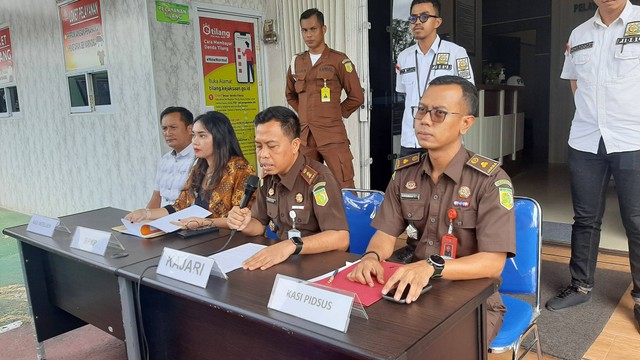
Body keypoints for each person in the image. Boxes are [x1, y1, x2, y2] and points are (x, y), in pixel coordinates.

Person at [346, 75, 515, 346]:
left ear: (465, 123)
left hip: (471, 297)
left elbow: (493, 264)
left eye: (439, 113)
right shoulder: (404, 173)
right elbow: (386, 233)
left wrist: (430, 267)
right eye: (422, 110)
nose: (425, 120)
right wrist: (371, 256)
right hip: (412, 286)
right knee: (360, 335)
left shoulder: (490, 180)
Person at [546, 0, 640, 331]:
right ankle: (581, 286)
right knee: (585, 218)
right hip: (586, 139)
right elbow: (574, 81)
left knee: (636, 220)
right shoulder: (579, 32)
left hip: (633, 139)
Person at [227, 106, 349, 270]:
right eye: (258, 146)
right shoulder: (268, 178)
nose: (263, 154)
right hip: (283, 261)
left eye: (271, 146)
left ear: (295, 145)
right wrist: (244, 223)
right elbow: (259, 224)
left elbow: (340, 238)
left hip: (318, 266)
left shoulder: (319, 179)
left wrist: (292, 245)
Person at [125, 111, 256, 229]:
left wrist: (204, 223)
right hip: (197, 235)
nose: (195, 141)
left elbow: (241, 218)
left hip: (225, 239)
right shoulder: (199, 167)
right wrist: (145, 213)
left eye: (202, 136)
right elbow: (179, 206)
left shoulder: (239, 167)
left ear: (219, 137)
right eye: (193, 135)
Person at [285, 8, 365, 189]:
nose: (308, 35)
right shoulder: (296, 62)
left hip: (333, 136)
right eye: (304, 30)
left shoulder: (339, 60)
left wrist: (335, 114)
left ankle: (348, 218)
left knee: (345, 186)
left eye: (313, 29)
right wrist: (305, 115)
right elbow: (290, 94)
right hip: (306, 138)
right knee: (306, 187)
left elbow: (357, 96)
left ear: (324, 29)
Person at [396, 0, 474, 157]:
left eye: (424, 17)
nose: (417, 22)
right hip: (411, 138)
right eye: (413, 18)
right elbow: (404, 93)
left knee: (446, 181)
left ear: (437, 21)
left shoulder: (456, 53)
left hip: (443, 137)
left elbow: (468, 95)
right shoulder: (404, 57)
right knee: (408, 181)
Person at [145, 106, 195, 209]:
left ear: (190, 129)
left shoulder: (200, 159)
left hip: (187, 221)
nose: (168, 133)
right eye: (164, 128)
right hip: (162, 219)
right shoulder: (165, 160)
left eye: (173, 127)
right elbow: (156, 197)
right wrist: (144, 219)